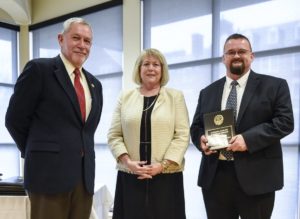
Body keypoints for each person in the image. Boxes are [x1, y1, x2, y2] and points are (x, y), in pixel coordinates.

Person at [5, 17, 103, 219]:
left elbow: (86, 130)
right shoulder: (39, 70)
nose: (82, 45)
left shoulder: (95, 84)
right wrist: (37, 151)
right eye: (76, 38)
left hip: (83, 180)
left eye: (87, 41)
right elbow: (15, 119)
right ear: (61, 39)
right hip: (47, 176)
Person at [190, 33, 294, 219]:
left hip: (257, 178)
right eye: (231, 52)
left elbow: (285, 122)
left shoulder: (275, 85)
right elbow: (196, 126)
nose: (236, 55)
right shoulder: (207, 92)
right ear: (223, 58)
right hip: (215, 179)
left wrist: (248, 139)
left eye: (241, 51)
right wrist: (201, 140)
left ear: (251, 56)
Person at [107, 48, 190, 219]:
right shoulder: (125, 97)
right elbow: (114, 135)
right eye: (146, 64)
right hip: (131, 175)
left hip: (166, 176)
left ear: (162, 69)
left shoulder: (175, 97)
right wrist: (128, 163)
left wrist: (162, 165)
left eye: (156, 64)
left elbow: (182, 135)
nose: (151, 68)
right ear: (139, 69)